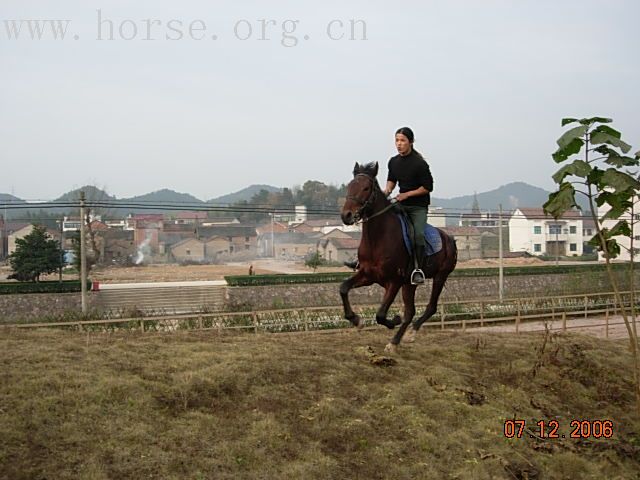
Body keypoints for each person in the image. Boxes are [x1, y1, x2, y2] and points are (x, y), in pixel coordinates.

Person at [344, 127, 433, 285]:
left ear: (410, 142)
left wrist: (407, 194)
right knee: (376, 224)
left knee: (417, 234)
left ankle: (417, 269)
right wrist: (386, 191)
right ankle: (362, 260)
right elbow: (392, 181)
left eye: (402, 141)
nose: (399, 144)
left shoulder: (420, 164)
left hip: (417, 207)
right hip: (400, 203)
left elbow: (427, 187)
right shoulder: (393, 161)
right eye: (397, 140)